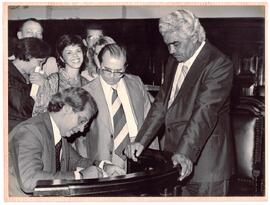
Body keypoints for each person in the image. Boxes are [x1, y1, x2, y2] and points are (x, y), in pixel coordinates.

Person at [125, 9, 235, 196]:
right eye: (168, 44)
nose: (171, 50)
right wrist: (141, 141)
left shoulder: (218, 64)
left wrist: (184, 154)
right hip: (174, 160)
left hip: (207, 166)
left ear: (194, 36)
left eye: (176, 44)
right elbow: (161, 104)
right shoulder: (174, 60)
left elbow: (204, 112)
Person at [9, 87, 104, 196]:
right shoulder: (31, 131)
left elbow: (77, 161)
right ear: (67, 108)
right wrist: (80, 176)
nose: (82, 130)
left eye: (85, 124)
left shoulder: (59, 135)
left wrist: (103, 166)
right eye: (81, 121)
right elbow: (29, 180)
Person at [82, 43, 158, 175]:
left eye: (118, 71)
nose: (112, 76)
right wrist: (88, 168)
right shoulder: (86, 92)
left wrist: (155, 157)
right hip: (105, 162)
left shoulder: (136, 82)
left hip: (138, 153)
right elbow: (80, 141)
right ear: (99, 64)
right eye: (107, 70)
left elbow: (149, 121)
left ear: (125, 67)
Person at [32, 34, 89, 116]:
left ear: (83, 54)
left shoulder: (86, 83)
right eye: (69, 52)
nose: (75, 55)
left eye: (78, 51)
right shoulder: (53, 81)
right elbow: (38, 114)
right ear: (62, 58)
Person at [8, 37, 50, 132]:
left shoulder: (25, 77)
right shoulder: (8, 76)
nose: (40, 67)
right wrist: (41, 88)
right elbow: (24, 112)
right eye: (40, 62)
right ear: (28, 55)